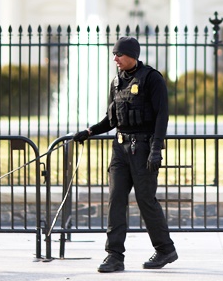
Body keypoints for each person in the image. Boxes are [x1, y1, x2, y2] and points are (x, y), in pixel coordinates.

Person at [72, 36, 177, 273]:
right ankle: (114, 256)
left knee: (145, 200)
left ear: (132, 55)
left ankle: (165, 249)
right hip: (120, 149)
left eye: (118, 54)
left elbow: (162, 116)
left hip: (143, 149)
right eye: (114, 54)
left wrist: (156, 150)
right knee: (115, 200)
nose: (115, 59)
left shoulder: (152, 78)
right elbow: (111, 120)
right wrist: (89, 132)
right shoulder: (116, 82)